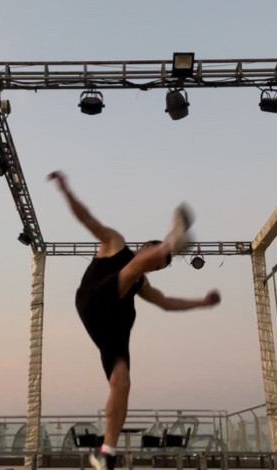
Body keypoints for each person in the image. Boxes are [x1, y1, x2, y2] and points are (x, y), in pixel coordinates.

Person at [48, 171, 221, 470]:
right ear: (146, 248)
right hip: (93, 298)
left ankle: (106, 452)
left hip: (110, 331)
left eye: (158, 267)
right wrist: (66, 191)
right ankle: (169, 243)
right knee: (129, 272)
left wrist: (202, 303)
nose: (153, 270)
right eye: (156, 261)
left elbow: (166, 303)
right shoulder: (116, 244)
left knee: (122, 382)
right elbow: (87, 219)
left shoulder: (141, 282)